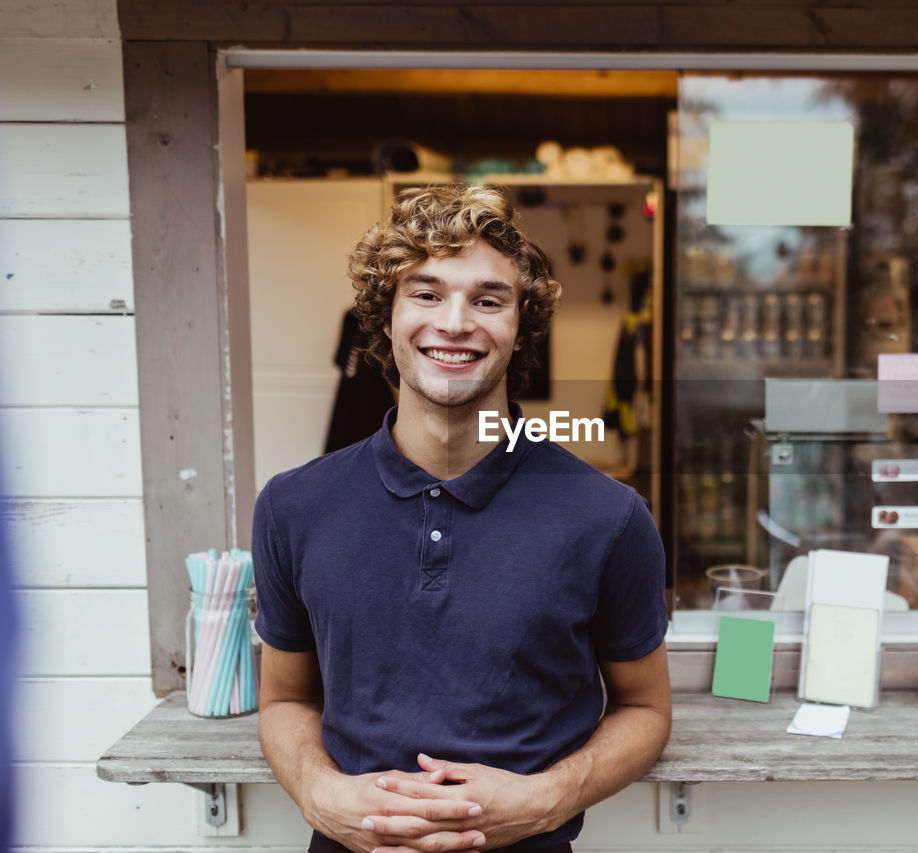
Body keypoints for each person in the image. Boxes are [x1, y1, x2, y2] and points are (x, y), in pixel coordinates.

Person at [253, 185, 671, 853]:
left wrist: (545, 798)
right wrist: (317, 791)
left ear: (519, 328)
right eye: (425, 292)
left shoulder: (609, 516)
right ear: (383, 317)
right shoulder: (293, 506)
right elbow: (283, 699)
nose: (454, 322)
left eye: (487, 299)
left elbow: (646, 708)